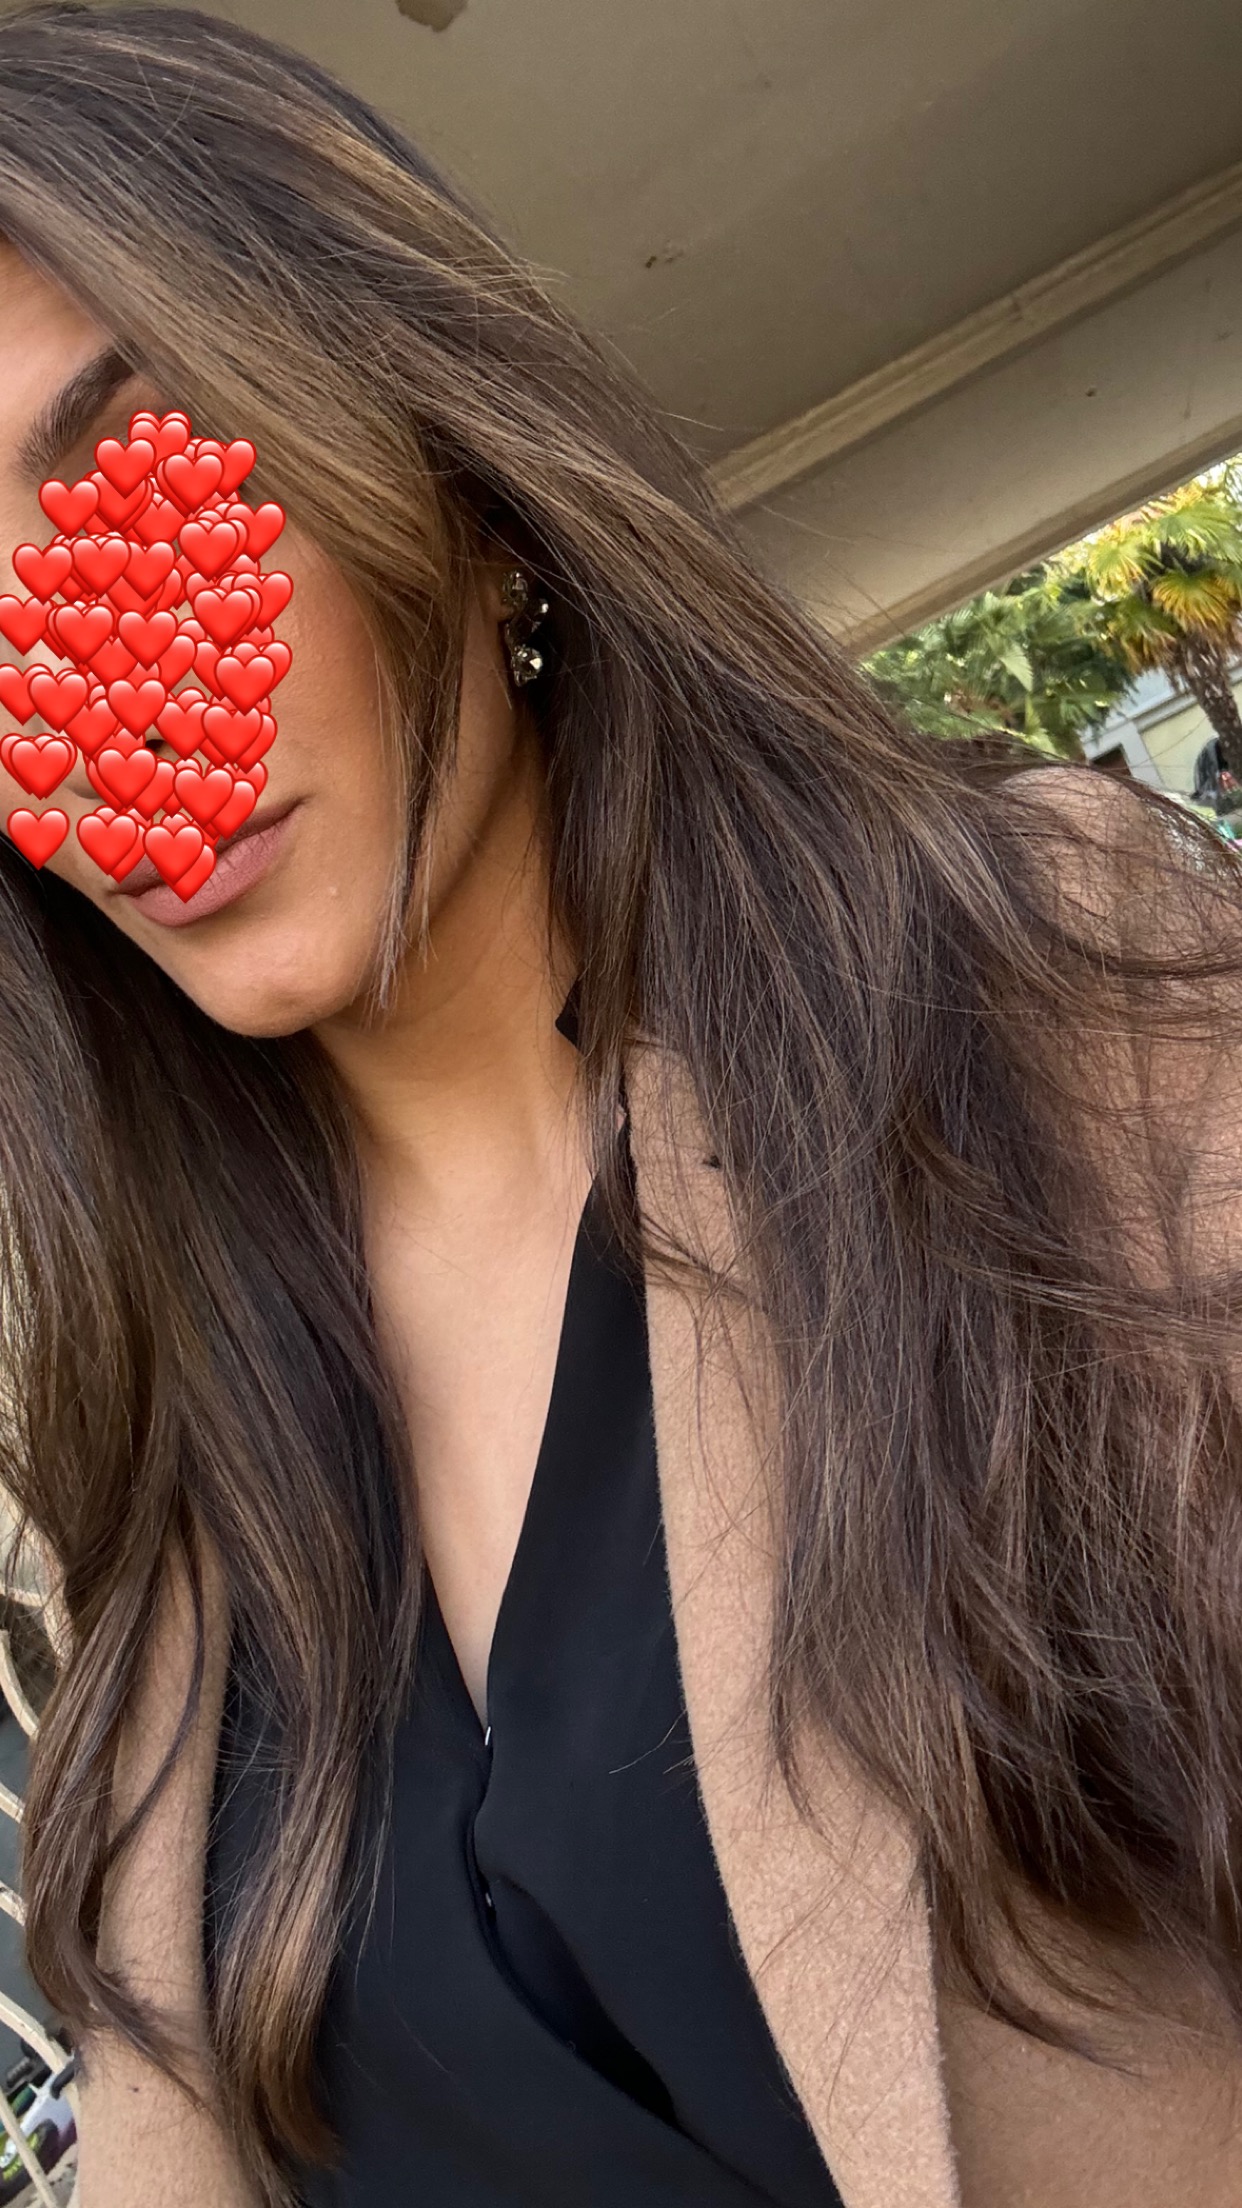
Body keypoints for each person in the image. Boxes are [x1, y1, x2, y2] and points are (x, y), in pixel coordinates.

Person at [0, 8, 1240, 2207]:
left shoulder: (1027, 988)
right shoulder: (172, 1470)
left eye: (145, 485)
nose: (112, 724)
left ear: (439, 454)